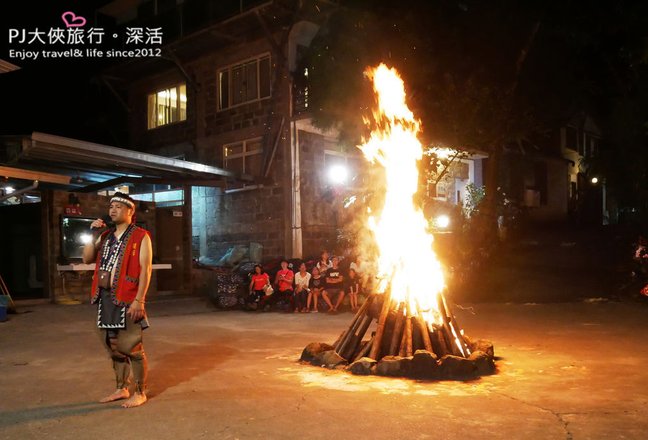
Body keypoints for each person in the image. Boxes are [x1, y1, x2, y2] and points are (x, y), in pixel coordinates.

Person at [83, 192, 152, 408]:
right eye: (111, 206)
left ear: (130, 211)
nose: (113, 210)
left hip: (128, 297)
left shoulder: (141, 236)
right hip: (105, 297)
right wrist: (92, 233)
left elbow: (146, 270)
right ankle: (121, 387)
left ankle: (140, 392)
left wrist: (139, 300)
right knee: (112, 346)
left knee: (132, 346)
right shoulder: (105, 236)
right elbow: (86, 258)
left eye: (119, 207)